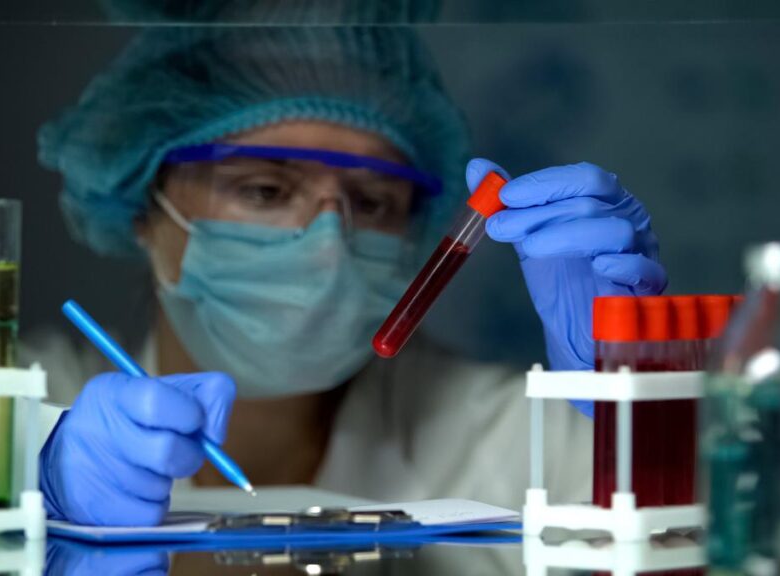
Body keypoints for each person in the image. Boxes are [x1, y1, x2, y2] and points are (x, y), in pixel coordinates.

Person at [32, 24, 666, 526]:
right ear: (146, 207)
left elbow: (699, 539)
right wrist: (37, 488)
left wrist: (628, 401)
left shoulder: (507, 439)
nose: (329, 243)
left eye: (370, 202)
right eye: (264, 189)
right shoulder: (31, 400)